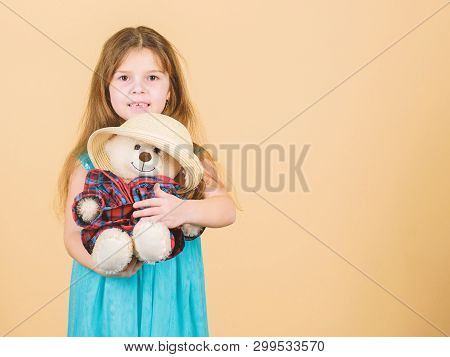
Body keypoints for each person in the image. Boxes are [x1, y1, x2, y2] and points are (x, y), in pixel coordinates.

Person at [57, 26, 236, 337]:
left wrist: (184, 210)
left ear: (170, 90)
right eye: (124, 78)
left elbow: (226, 209)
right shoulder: (88, 162)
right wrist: (102, 264)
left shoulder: (188, 157)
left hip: (170, 288)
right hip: (108, 290)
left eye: (152, 78)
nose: (138, 89)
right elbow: (73, 235)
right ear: (106, 89)